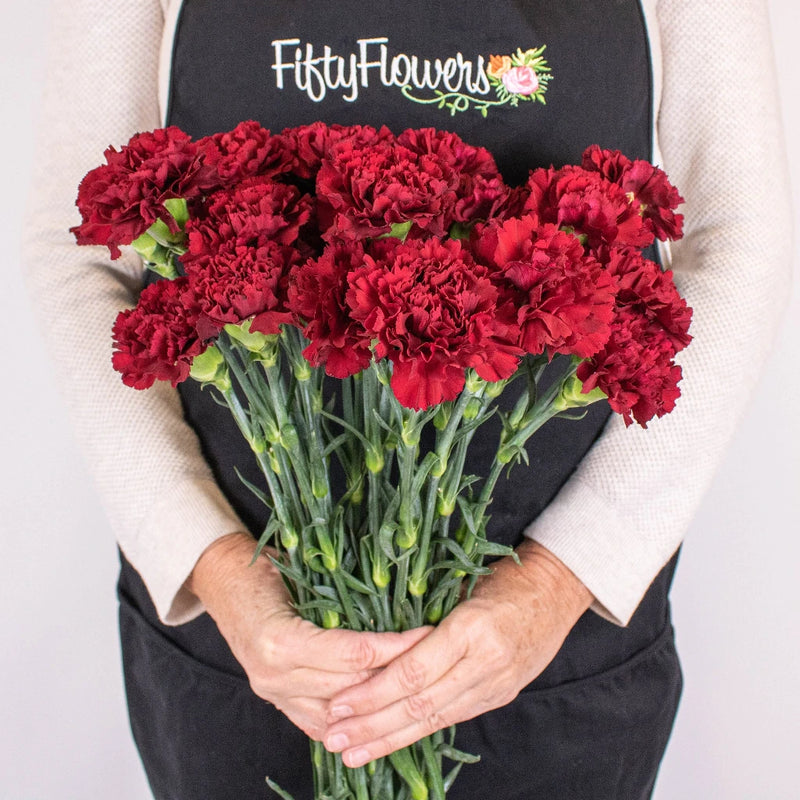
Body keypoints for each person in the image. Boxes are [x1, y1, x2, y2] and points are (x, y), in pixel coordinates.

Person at [23, 1, 791, 798]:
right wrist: (213, 565)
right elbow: (76, 249)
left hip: (556, 634)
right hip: (252, 640)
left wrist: (562, 577)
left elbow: (737, 233)